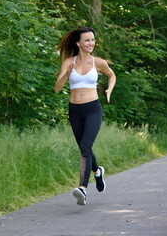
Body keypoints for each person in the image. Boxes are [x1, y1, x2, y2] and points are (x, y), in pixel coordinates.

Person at [54, 26, 116, 205]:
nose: (91, 43)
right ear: (78, 43)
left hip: (93, 109)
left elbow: (112, 76)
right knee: (84, 148)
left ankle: (82, 188)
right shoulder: (68, 62)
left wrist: (109, 90)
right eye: (87, 40)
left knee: (85, 145)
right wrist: (65, 75)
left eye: (93, 40)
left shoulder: (98, 62)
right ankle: (98, 172)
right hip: (75, 109)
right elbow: (57, 89)